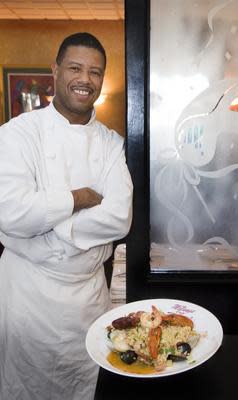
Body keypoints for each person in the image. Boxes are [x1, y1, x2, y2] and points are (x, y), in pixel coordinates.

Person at [0, 32, 133, 400]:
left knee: (83, 387)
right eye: (75, 68)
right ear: (55, 71)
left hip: (87, 299)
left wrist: (49, 221)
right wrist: (81, 197)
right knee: (24, 389)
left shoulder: (111, 143)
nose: (85, 80)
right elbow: (11, 213)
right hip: (29, 297)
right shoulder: (17, 135)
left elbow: (119, 218)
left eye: (95, 72)